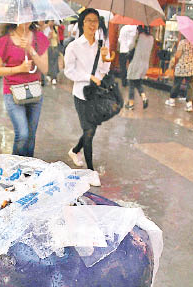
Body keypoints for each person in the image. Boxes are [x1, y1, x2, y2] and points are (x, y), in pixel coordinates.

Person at [64, 8, 110, 186]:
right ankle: (91, 171)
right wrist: (87, 77)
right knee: (89, 131)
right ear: (82, 23)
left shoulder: (101, 44)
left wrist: (106, 59)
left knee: (91, 130)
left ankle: (75, 150)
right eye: (89, 20)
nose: (93, 24)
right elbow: (69, 72)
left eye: (96, 21)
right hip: (81, 94)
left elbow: (103, 71)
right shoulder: (73, 46)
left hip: (96, 95)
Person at [0, 21, 49, 157]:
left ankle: (28, 170)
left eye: (28, 12)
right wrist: (19, 69)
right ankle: (16, 167)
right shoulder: (4, 41)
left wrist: (30, 50)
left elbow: (45, 69)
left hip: (34, 92)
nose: (25, 18)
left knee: (31, 135)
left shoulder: (40, 38)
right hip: (13, 93)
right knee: (22, 134)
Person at [165, 37, 193, 112]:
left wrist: (175, 63)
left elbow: (177, 55)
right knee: (190, 86)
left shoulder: (183, 42)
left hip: (181, 67)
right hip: (192, 68)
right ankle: (189, 105)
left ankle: (172, 100)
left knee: (176, 84)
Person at [125, 25, 154, 110]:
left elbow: (130, 46)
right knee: (138, 82)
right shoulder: (151, 38)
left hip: (136, 62)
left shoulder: (138, 36)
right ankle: (144, 97)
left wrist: (135, 37)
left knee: (131, 82)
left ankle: (131, 104)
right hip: (144, 64)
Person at [46, 20, 60, 85]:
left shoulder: (56, 29)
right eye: (50, 21)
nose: (52, 23)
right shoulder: (46, 29)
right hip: (49, 47)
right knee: (50, 62)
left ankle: (54, 77)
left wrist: (59, 46)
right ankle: (51, 76)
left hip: (55, 47)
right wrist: (49, 37)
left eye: (52, 21)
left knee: (55, 62)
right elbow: (45, 40)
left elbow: (58, 38)